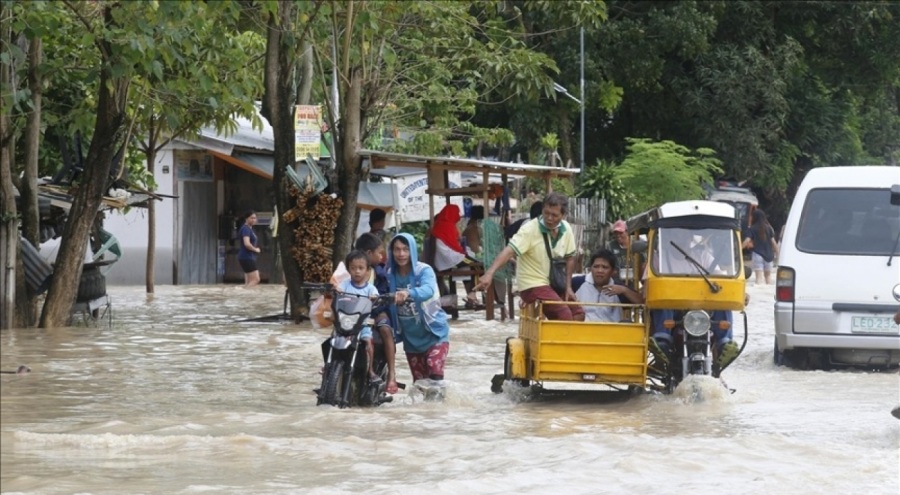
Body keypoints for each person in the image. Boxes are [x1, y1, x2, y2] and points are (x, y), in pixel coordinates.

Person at [475, 192, 584, 321]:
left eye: (554, 215)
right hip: (532, 284)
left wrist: (568, 287)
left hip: (553, 282)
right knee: (563, 313)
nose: (549, 218)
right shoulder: (529, 229)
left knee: (578, 313)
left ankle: (557, 339)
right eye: (546, 213)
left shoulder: (566, 228)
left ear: (563, 215)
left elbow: (570, 257)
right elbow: (509, 251)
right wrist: (489, 273)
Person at [647, 228, 739, 370]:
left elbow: (721, 279)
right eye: (676, 234)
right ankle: (662, 341)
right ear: (668, 236)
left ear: (691, 238)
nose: (681, 238)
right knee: (663, 298)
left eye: (685, 235)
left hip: (702, 310)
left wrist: (740, 293)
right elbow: (647, 286)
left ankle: (724, 343)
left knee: (723, 300)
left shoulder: (703, 256)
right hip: (674, 312)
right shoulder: (659, 259)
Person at [386, 233, 452, 385]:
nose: (401, 254)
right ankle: (427, 410)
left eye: (405, 249)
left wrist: (408, 293)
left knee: (434, 372)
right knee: (420, 384)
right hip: (411, 340)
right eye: (397, 250)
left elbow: (428, 289)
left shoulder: (423, 271)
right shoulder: (390, 274)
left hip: (434, 333)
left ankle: (439, 407)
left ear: (413, 251)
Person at [354, 232, 398, 394]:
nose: (382, 256)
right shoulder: (349, 270)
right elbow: (339, 284)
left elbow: (386, 291)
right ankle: (329, 368)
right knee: (337, 331)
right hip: (354, 312)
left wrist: (383, 298)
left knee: (386, 330)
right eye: (379, 253)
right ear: (368, 253)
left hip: (377, 311)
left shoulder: (380, 272)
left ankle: (392, 374)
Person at [336, 250, 382, 384]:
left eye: (361, 268)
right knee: (333, 340)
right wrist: (336, 291)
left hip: (362, 324)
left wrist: (375, 299)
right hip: (345, 323)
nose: (357, 271)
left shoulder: (370, 289)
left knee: (367, 341)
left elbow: (377, 299)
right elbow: (337, 292)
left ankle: (370, 370)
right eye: (353, 268)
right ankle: (329, 366)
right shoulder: (344, 285)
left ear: (367, 270)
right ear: (348, 269)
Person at [575, 249, 643, 322]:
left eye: (605, 267)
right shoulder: (578, 282)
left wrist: (624, 290)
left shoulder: (618, 288)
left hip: (612, 332)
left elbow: (641, 301)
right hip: (582, 331)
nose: (600, 271)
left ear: (613, 271)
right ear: (590, 268)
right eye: (596, 266)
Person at [743, 209, 779, 284]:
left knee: (759, 278)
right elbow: (774, 243)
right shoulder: (769, 228)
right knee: (768, 277)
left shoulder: (752, 228)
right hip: (769, 256)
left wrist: (739, 249)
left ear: (754, 217)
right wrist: (778, 254)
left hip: (757, 254)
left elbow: (747, 241)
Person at [606, 219, 647, 284]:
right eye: (616, 233)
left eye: (621, 232)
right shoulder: (611, 246)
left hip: (634, 281)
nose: (618, 235)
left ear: (627, 232)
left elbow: (644, 264)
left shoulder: (637, 243)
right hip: (616, 282)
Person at [237, 210, 261, 287]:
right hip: (247, 257)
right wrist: (256, 249)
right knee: (256, 279)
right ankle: (243, 292)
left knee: (248, 282)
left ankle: (244, 295)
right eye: (251, 218)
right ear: (246, 218)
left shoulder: (249, 229)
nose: (254, 220)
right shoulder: (246, 229)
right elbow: (247, 244)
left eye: (255, 218)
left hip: (246, 257)